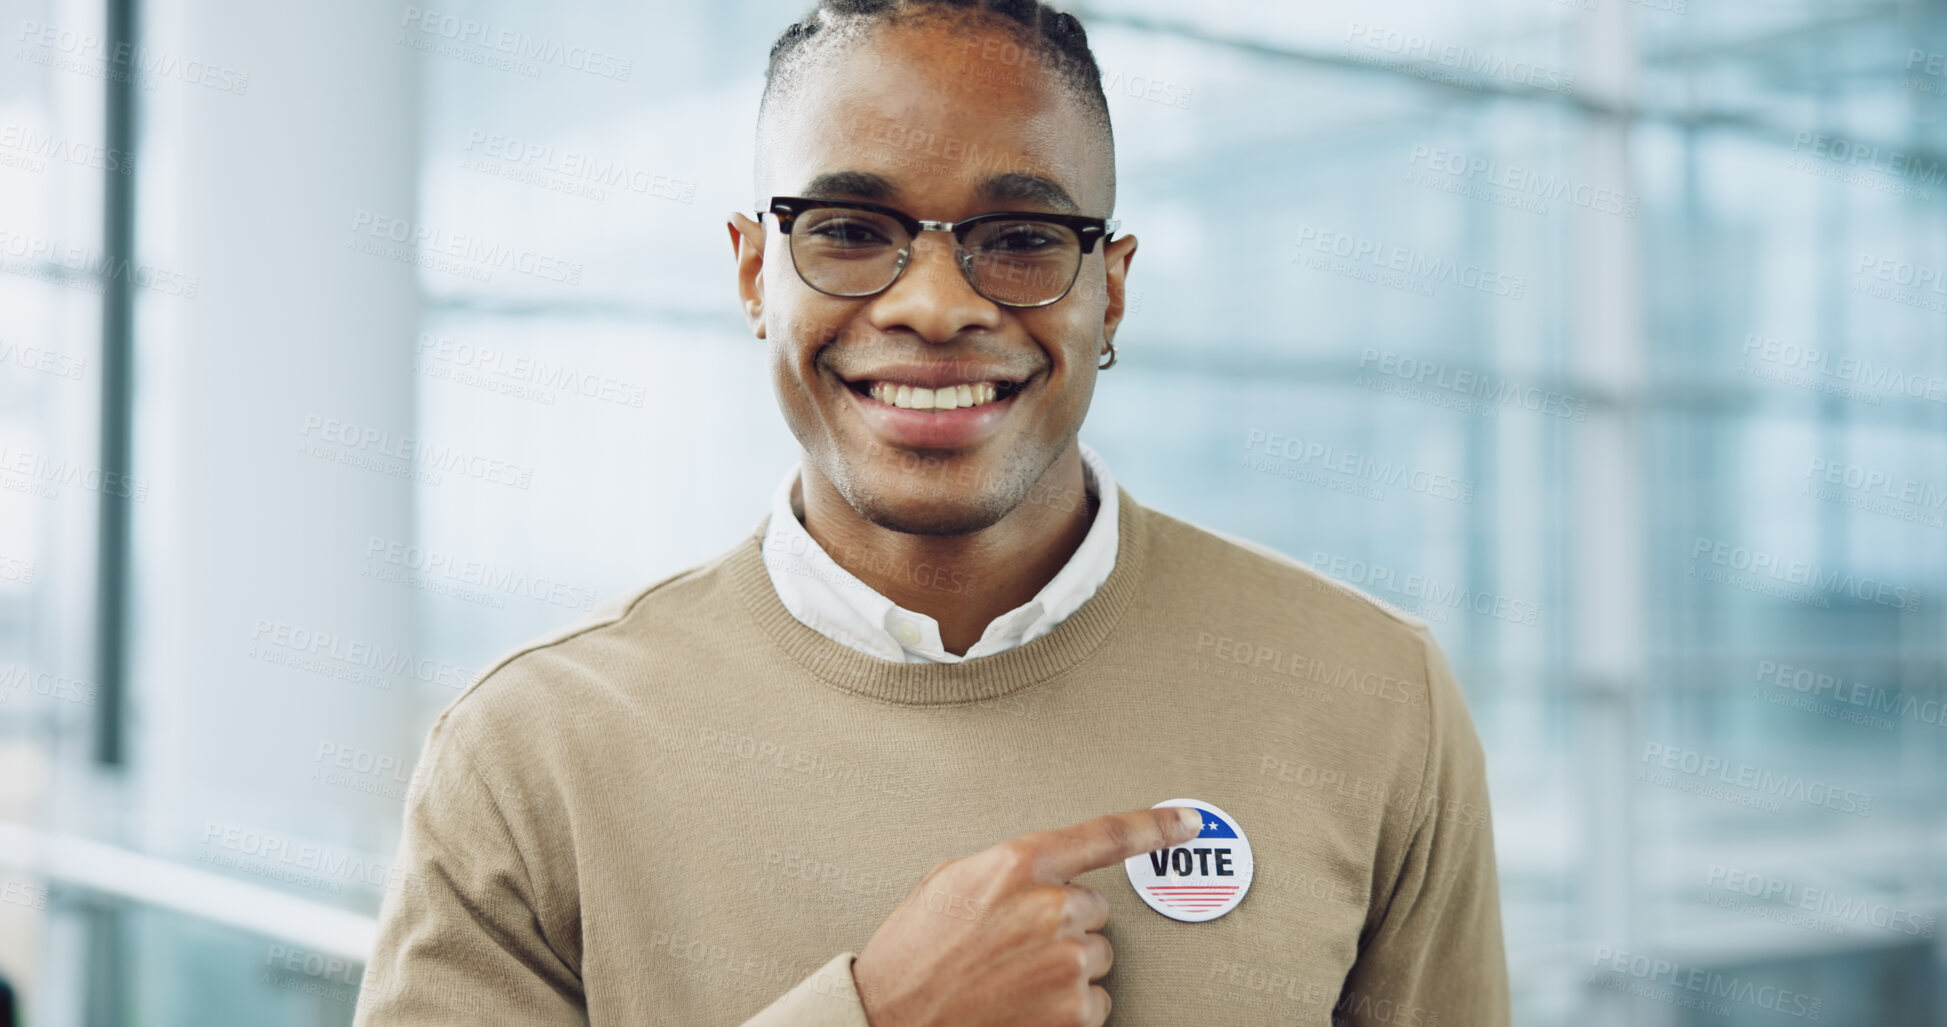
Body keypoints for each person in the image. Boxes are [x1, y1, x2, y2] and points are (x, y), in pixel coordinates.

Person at [355, 2, 1509, 1024]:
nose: (935, 304)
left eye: (1018, 240)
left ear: (1111, 290)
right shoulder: (532, 748)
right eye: (853, 232)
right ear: (757, 275)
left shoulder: (1371, 695)